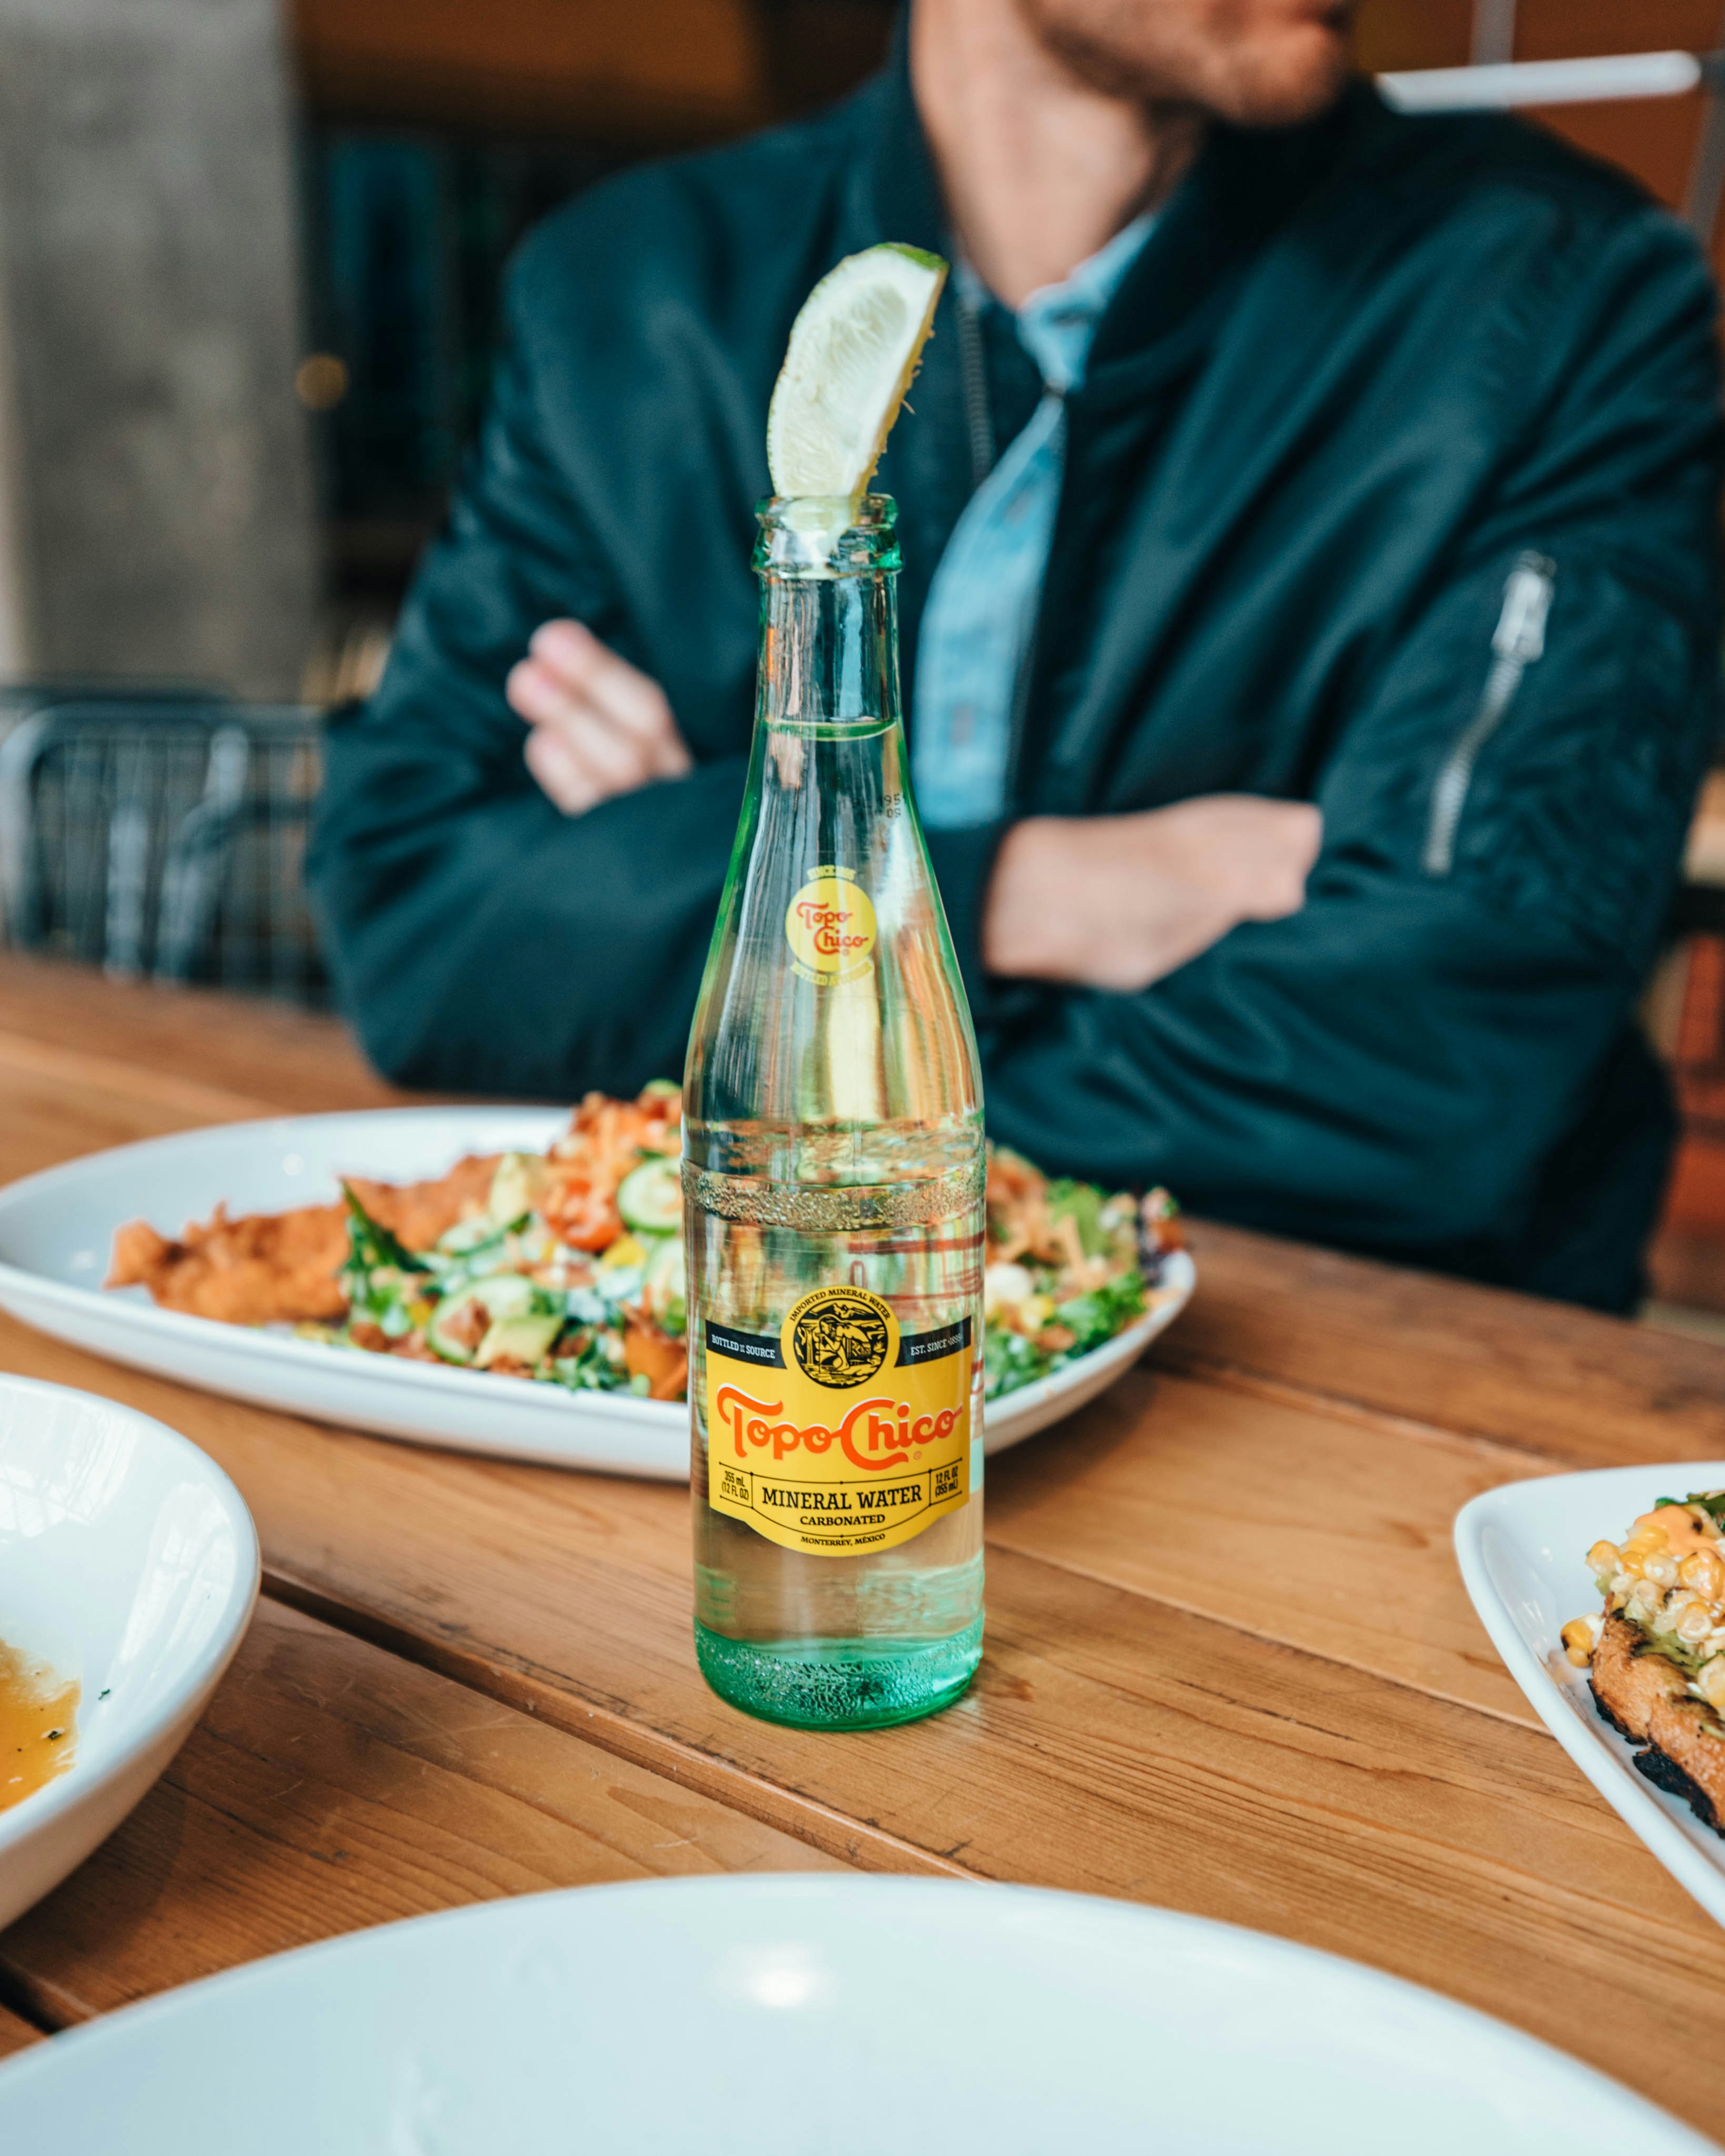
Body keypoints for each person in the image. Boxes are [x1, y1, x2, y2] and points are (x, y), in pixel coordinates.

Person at [307, 0, 1723, 1313]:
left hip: (1357, 1394)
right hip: (715, 1385)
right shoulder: (635, 291)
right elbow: (417, 924)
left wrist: (721, 916)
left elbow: (1433, 1064)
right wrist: (1046, 887)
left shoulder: (1565, 304)